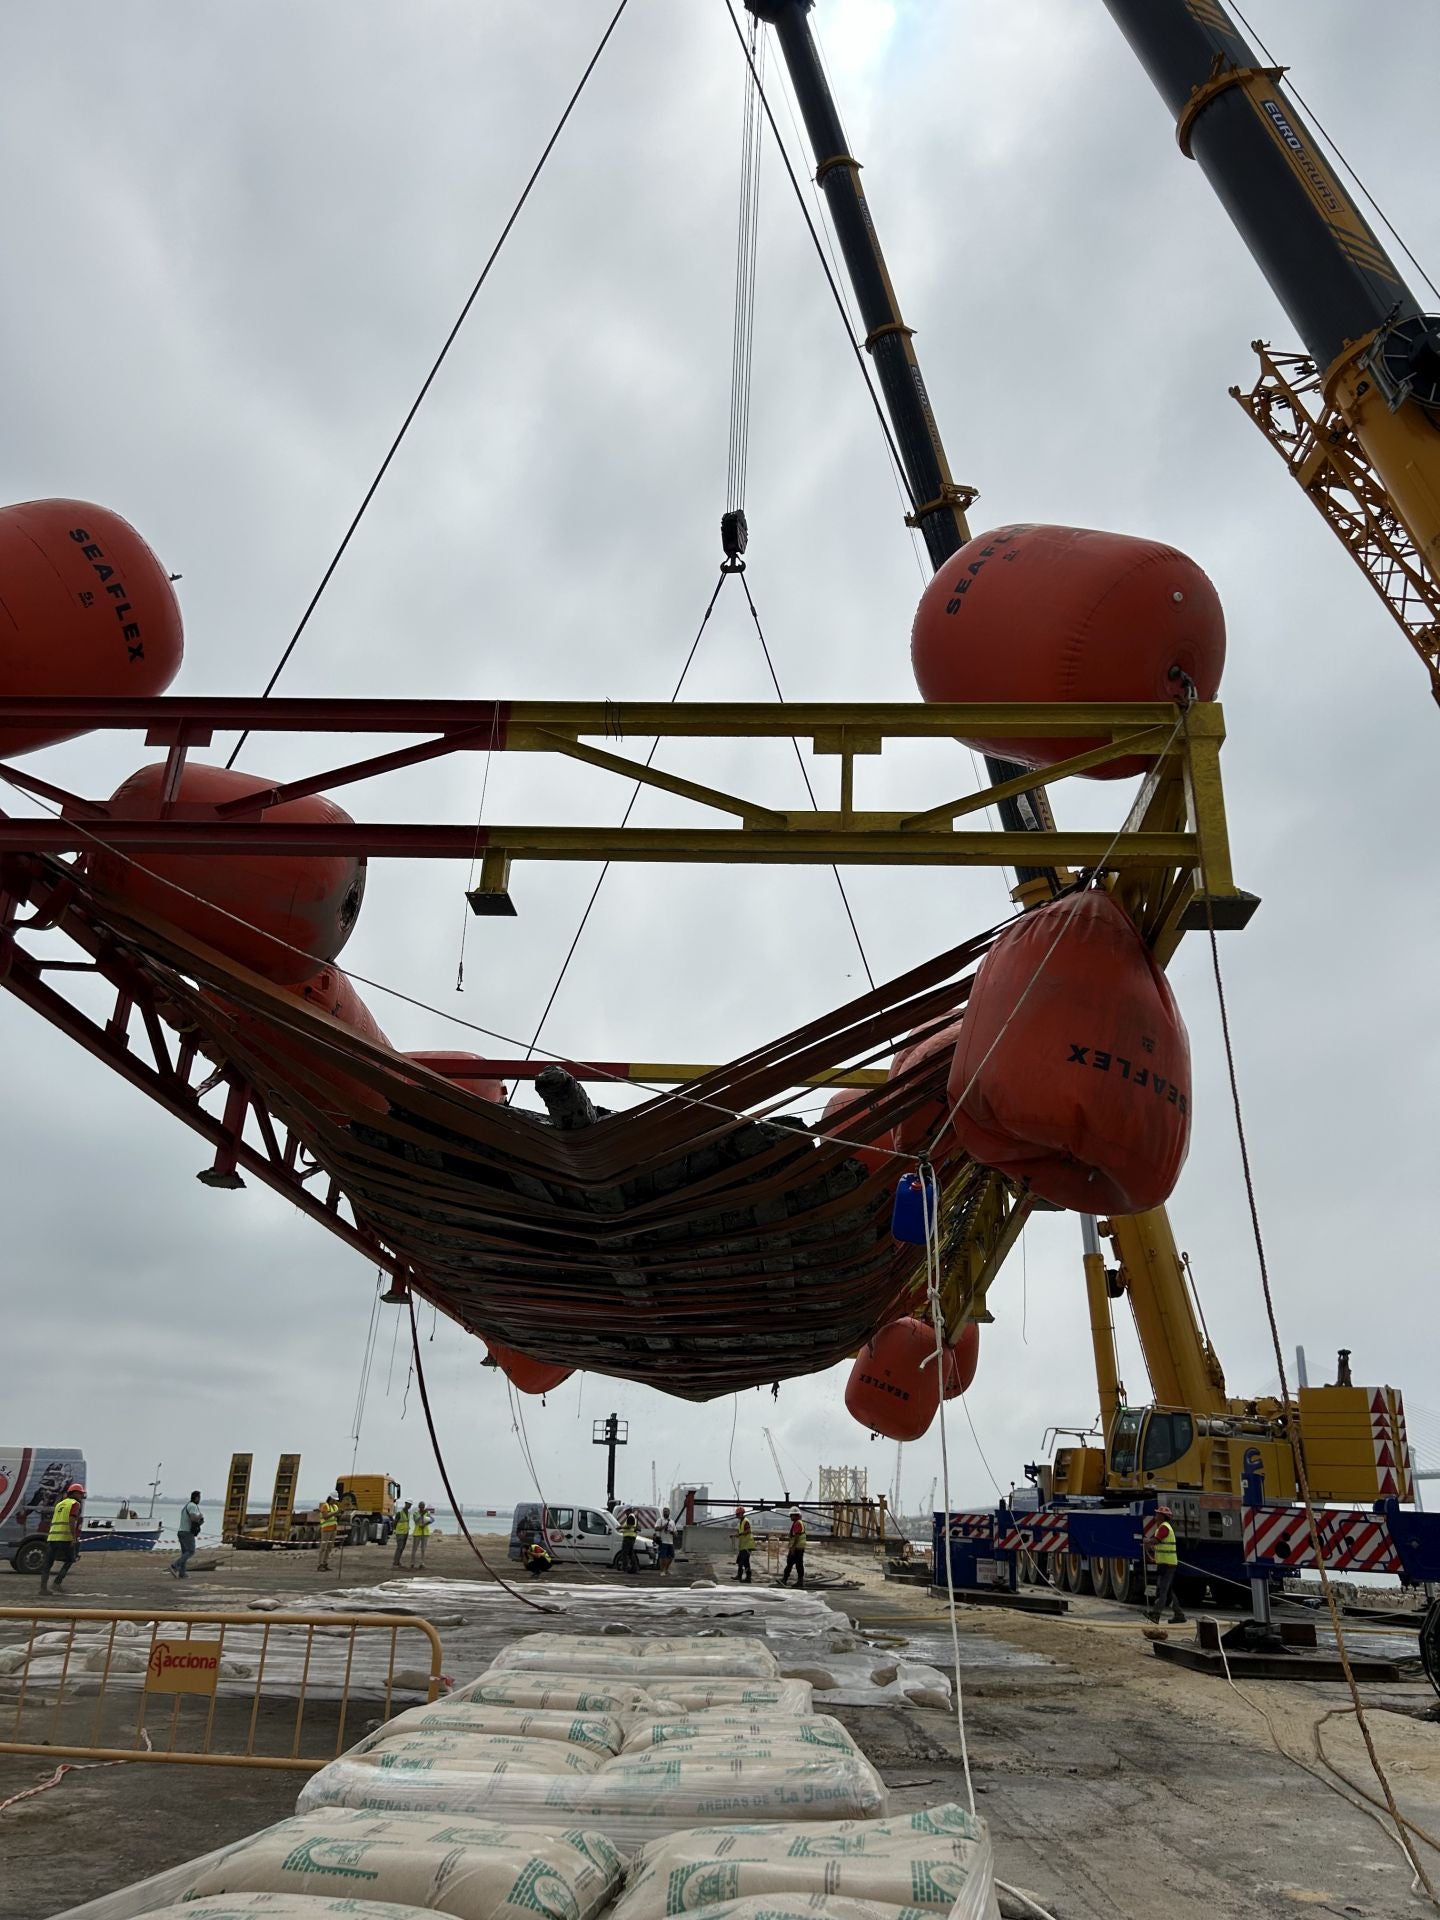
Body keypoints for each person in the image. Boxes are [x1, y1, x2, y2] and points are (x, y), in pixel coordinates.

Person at [39, 1482, 84, 1595]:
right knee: (70, 1559)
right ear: (74, 1493)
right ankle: (57, 1583)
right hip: (64, 1537)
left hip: (53, 1537)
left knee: (48, 1563)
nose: (81, 1496)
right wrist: (73, 1537)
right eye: (80, 1493)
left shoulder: (60, 1504)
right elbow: (72, 1520)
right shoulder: (75, 1504)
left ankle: (43, 1588)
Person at [1146, 1504, 1185, 1624]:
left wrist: (1147, 1541)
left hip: (1167, 1565)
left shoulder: (1164, 1528)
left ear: (1163, 1516)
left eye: (1158, 1514)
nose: (1156, 1516)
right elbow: (1159, 1544)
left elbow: (1156, 1540)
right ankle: (1179, 1615)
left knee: (1162, 1590)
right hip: (1166, 1564)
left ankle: (1156, 1615)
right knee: (1168, 1591)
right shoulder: (1163, 1527)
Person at [171, 1490, 204, 1579]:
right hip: (187, 1533)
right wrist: (200, 1517)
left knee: (185, 1553)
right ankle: (174, 1566)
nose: (200, 1500)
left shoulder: (186, 1506)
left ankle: (182, 1573)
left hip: (181, 1532)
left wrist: (199, 1522)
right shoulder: (192, 1506)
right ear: (196, 1498)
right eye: (199, 1498)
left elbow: (191, 1520)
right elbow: (193, 1518)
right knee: (191, 1551)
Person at [778, 1507, 806, 1588]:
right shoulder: (798, 1523)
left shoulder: (797, 1523)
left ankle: (789, 1580)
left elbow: (797, 1536)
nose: (790, 1517)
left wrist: (793, 1547)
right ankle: (786, 1579)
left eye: (791, 1515)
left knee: (795, 1564)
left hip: (797, 1548)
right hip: (798, 1547)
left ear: (796, 1515)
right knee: (793, 1564)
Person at [316, 1495, 339, 1573]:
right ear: (330, 1499)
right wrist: (335, 1513)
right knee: (323, 1547)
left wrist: (339, 1514)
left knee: (329, 1547)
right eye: (334, 1499)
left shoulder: (335, 1506)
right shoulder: (325, 1506)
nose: (335, 1501)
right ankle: (320, 1564)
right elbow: (325, 1516)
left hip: (333, 1529)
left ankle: (325, 1563)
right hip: (326, 1529)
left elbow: (336, 1517)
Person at [734, 1506, 754, 1584]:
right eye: (737, 1514)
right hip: (743, 1545)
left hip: (747, 1545)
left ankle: (745, 1577)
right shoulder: (740, 1522)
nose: (737, 1516)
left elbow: (748, 1531)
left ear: (742, 1514)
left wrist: (739, 1534)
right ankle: (743, 1576)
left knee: (742, 1562)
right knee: (743, 1562)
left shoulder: (745, 1521)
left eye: (738, 1514)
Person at [653, 1506, 675, 1577]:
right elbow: (656, 1528)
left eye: (667, 1512)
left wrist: (672, 1532)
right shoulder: (660, 1520)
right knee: (663, 1557)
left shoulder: (672, 1521)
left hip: (670, 1541)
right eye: (664, 1512)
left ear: (669, 1513)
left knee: (671, 1556)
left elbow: (676, 1532)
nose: (665, 1513)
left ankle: (666, 1569)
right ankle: (662, 1571)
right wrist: (663, 1527)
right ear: (663, 1513)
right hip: (663, 1541)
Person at [410, 1502, 432, 1569]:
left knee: (423, 1549)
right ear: (419, 1507)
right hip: (417, 1533)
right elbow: (416, 1521)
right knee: (414, 1548)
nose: (422, 1508)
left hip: (425, 1533)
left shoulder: (427, 1513)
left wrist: (425, 1524)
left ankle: (422, 1563)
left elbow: (431, 1520)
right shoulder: (415, 1513)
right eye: (421, 1507)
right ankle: (412, 1563)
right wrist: (422, 1515)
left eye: (423, 1507)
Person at [391, 1500, 412, 1569]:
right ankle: (395, 1563)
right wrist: (394, 1530)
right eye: (408, 1504)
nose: (409, 1506)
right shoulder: (399, 1513)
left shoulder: (408, 1513)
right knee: (399, 1547)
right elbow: (395, 1522)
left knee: (402, 1548)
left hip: (405, 1532)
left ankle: (397, 1561)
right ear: (405, 1503)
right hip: (400, 1533)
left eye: (410, 1505)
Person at [618, 1508, 640, 1575]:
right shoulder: (632, 1516)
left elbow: (630, 1526)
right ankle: (634, 1568)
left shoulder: (630, 1516)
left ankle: (625, 1568)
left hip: (628, 1538)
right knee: (631, 1554)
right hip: (631, 1537)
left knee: (625, 1553)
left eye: (626, 1511)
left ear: (629, 1511)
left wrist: (621, 1527)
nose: (625, 1513)